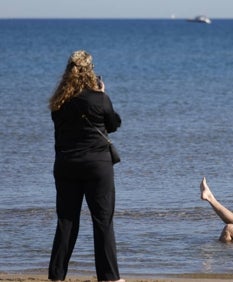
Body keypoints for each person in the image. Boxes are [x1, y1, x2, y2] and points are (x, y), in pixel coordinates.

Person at [48, 50, 124, 282]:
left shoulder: (58, 101)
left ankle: (57, 276)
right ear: (90, 70)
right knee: (102, 221)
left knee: (66, 220)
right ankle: (109, 277)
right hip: (97, 166)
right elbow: (113, 124)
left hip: (66, 164)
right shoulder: (99, 97)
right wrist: (102, 93)